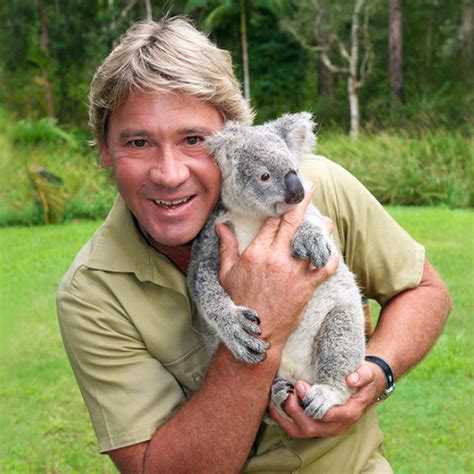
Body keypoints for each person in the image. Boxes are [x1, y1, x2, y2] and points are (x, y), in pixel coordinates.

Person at [56, 16, 451, 473]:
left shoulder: (311, 187)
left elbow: (424, 290)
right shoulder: (91, 294)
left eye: (194, 140)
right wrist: (267, 317)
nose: (169, 173)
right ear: (104, 149)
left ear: (233, 137)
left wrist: (376, 372)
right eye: (139, 142)